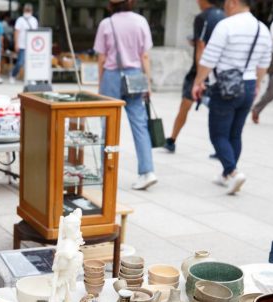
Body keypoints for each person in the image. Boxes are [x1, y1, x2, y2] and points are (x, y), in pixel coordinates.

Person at [192, 0, 272, 195]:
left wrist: (198, 82)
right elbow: (264, 62)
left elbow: (209, 58)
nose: (225, 5)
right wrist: (257, 85)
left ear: (234, 2)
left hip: (225, 86)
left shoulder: (226, 26)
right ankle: (227, 174)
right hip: (249, 83)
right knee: (235, 133)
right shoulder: (262, 29)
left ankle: (233, 172)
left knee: (218, 134)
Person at [94, 0, 157, 191]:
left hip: (112, 76)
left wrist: (100, 83)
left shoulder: (106, 24)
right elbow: (144, 55)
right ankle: (147, 172)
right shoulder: (140, 21)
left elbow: (102, 57)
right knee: (140, 124)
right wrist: (147, 81)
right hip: (135, 75)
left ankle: (105, 171)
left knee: (108, 126)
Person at [164, 0, 224, 153]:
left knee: (185, 105)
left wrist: (199, 76)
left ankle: (172, 139)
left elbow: (201, 47)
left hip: (201, 70)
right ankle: (222, 147)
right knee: (218, 110)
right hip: (219, 69)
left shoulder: (202, 17)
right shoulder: (224, 16)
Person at [11, 3, 39, 83]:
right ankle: (13, 74)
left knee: (31, 63)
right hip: (22, 45)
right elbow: (16, 32)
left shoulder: (34, 20)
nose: (27, 12)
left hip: (32, 46)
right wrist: (16, 43)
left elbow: (36, 33)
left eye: (29, 10)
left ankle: (30, 78)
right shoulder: (20, 20)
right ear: (24, 10)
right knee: (20, 62)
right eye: (26, 10)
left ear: (32, 11)